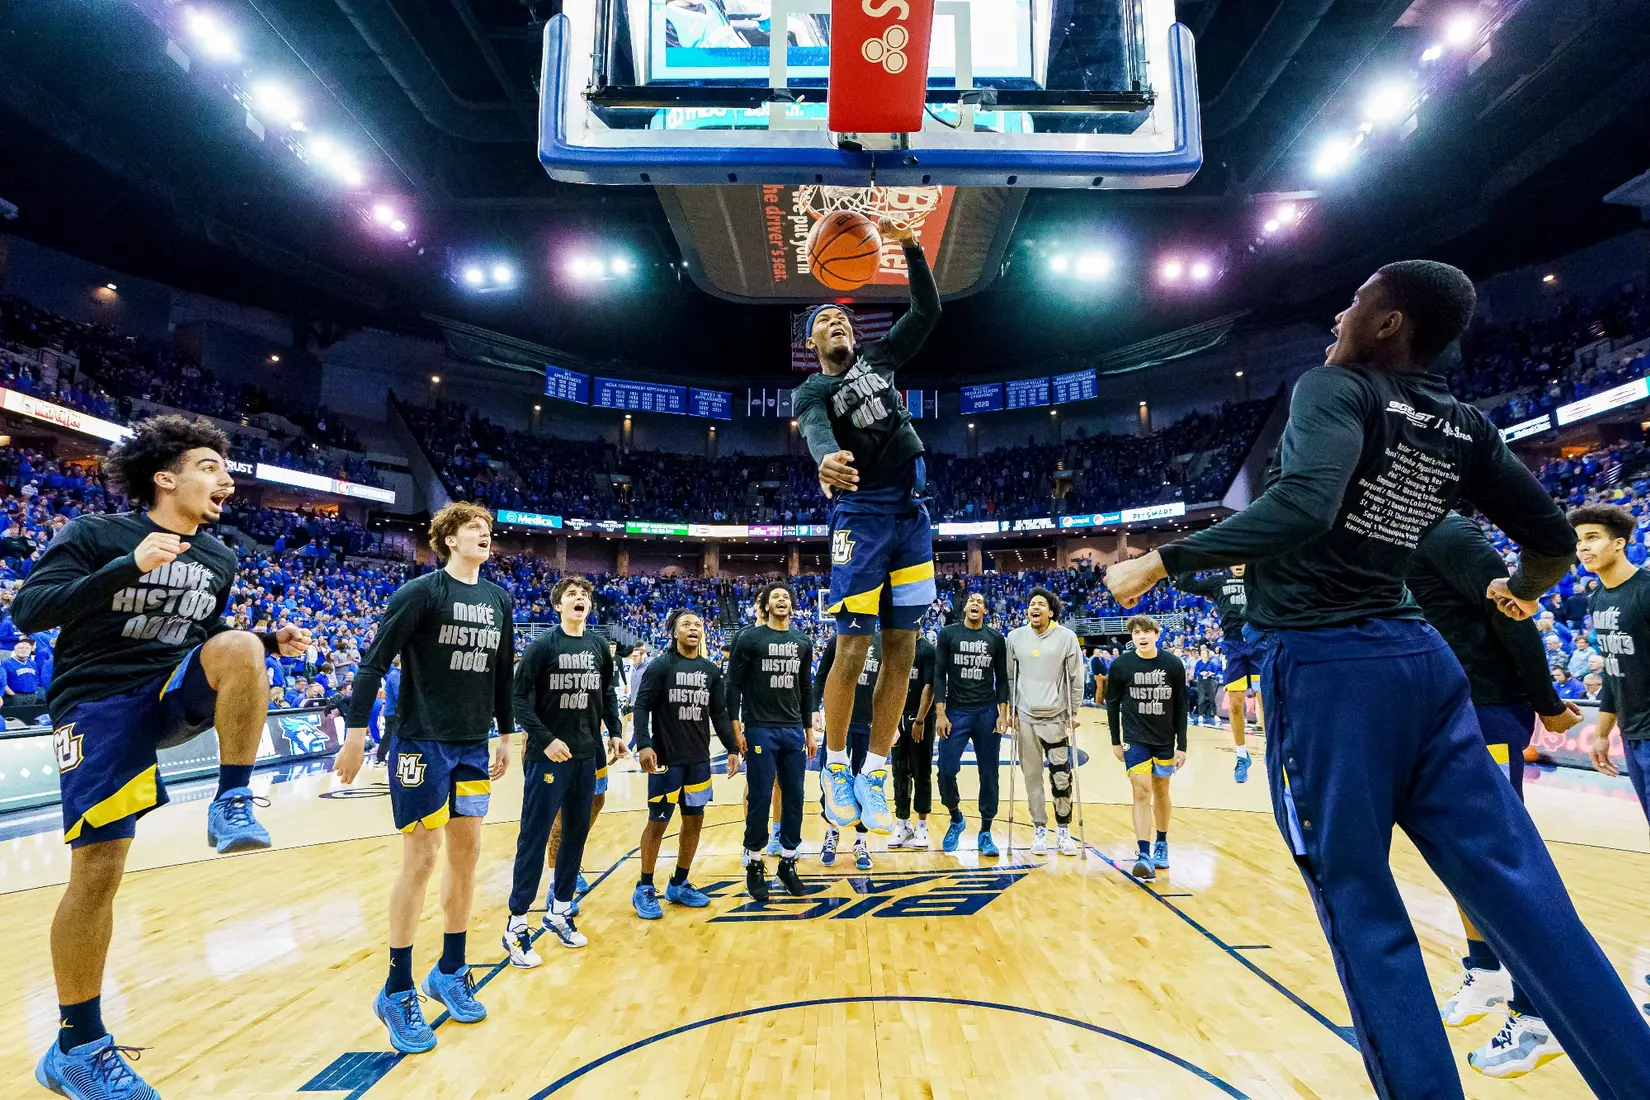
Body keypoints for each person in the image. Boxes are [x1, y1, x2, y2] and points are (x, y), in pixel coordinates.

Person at [1103, 260, 1650, 1097]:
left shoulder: (1337, 390)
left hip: (1329, 671)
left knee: (1361, 903)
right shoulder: (1466, 424)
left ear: (1389, 324)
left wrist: (1161, 562)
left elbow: (1305, 508)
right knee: (1528, 896)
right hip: (1423, 667)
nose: (1338, 314)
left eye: (1355, 301)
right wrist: (1522, 595)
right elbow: (1550, 540)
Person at [21, 415, 309, 1098]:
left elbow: (202, 637)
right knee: (98, 869)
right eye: (211, 466)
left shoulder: (219, 557)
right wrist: (131, 566)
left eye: (226, 470)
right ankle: (77, 1046)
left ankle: (233, 799)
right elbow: (32, 610)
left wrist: (266, 639)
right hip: (96, 703)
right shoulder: (96, 535)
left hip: (167, 692)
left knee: (240, 644)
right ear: (164, 476)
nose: (227, 481)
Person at [1409, 511, 1588, 1076]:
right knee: (1461, 854)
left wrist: (1548, 700)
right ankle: (1486, 970)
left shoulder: (1450, 534)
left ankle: (1537, 1016)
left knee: (1499, 859)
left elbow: (1514, 616)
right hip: (1446, 710)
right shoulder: (1404, 538)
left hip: (1486, 710)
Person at [335, 502, 516, 1055]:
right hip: (419, 740)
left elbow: (503, 671)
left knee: (468, 857)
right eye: (473, 529)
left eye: (487, 529)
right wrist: (356, 732)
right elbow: (373, 663)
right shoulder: (421, 592)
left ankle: (450, 970)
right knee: (422, 858)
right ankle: (396, 988)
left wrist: (505, 734)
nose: (484, 535)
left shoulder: (498, 600)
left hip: (470, 744)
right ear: (448, 538)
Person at [793, 219, 941, 836]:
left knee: (902, 647)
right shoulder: (811, 390)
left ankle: (874, 770)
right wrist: (824, 458)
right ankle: (833, 767)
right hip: (862, 515)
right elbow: (818, 434)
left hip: (912, 513)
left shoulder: (879, 359)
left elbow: (926, 311)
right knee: (853, 647)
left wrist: (909, 247)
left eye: (846, 320)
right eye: (828, 321)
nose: (840, 324)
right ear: (811, 340)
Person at [502, 576, 621, 967]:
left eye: (584, 595)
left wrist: (616, 733)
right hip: (547, 757)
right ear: (558, 605)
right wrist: (546, 738)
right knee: (534, 839)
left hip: (587, 755)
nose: (579, 599)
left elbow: (606, 694)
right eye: (571, 595)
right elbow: (517, 698)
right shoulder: (542, 646)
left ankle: (559, 911)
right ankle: (516, 925)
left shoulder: (599, 646)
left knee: (576, 836)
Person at [630, 609, 739, 919]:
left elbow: (719, 713)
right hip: (666, 760)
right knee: (658, 822)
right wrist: (644, 744)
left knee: (694, 820)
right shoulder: (660, 666)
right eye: (686, 625)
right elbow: (642, 707)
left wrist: (732, 747)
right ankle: (645, 887)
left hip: (698, 760)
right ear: (674, 632)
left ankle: (679, 882)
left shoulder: (710, 670)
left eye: (698, 625)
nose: (694, 629)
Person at [725, 582, 814, 902]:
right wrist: (736, 730)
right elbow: (732, 686)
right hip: (760, 727)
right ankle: (753, 861)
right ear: (765, 606)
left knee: (796, 796)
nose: (781, 601)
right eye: (775, 597)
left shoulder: (803, 641)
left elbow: (806, 689)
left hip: (792, 730)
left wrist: (809, 731)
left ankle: (788, 862)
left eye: (786, 597)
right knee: (760, 795)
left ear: (792, 606)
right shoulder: (749, 637)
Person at [1572, 503, 1650, 829]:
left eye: (1592, 538)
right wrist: (1602, 734)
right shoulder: (1598, 598)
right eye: (1578, 542)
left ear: (1619, 543)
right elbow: (1612, 670)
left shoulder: (1646, 589)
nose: (1583, 548)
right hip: (1632, 733)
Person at [1104, 615, 1187, 881]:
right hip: (1134, 738)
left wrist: (1182, 745)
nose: (1142, 636)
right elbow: (1112, 703)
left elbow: (1182, 706)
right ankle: (1144, 853)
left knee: (1161, 789)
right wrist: (1116, 740)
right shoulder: (1121, 665)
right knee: (1141, 791)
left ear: (1157, 633)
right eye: (1137, 632)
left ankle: (1161, 842)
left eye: (1147, 631)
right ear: (1132, 637)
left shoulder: (1173, 664)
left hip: (1164, 739)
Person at [1004, 588, 1084, 857]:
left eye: (1040, 604)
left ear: (1051, 611)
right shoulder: (1015, 638)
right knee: (1031, 778)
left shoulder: (1066, 638)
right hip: (1025, 718)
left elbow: (1075, 676)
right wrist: (1011, 709)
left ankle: (1063, 829)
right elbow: (1009, 678)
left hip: (1057, 717)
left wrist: (1075, 712)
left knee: (1061, 777)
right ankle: (1040, 828)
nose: (1034, 607)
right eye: (1031, 603)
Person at [933, 592, 1009, 856]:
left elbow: (1003, 679)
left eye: (980, 601)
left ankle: (986, 831)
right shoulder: (948, 634)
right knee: (945, 770)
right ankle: (956, 818)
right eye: (972, 601)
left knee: (989, 774)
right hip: (956, 711)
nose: (975, 604)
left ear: (986, 610)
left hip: (987, 711)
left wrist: (1003, 712)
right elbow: (939, 676)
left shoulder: (996, 638)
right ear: (964, 607)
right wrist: (940, 714)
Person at [1173, 567, 1260, 780]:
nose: (1238, 563)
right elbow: (1185, 584)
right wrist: (1199, 560)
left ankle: (1273, 748)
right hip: (1234, 646)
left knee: (1265, 698)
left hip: (1260, 643)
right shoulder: (1218, 582)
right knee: (1235, 704)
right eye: (1233, 559)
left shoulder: (1260, 577)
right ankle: (1241, 755)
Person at [814, 632, 879, 869]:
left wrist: (890, 724)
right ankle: (831, 833)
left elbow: (890, 685)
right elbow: (821, 677)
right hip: (839, 723)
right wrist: (814, 709)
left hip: (869, 724)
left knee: (866, 786)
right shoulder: (838, 640)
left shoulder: (882, 643)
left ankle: (861, 842)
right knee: (830, 783)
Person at [888, 630, 936, 850]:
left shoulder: (927, 650)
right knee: (899, 771)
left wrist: (919, 719)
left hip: (920, 717)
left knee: (921, 771)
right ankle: (902, 824)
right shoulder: (895, 647)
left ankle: (922, 825)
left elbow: (929, 686)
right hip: (896, 716)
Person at [373, 656, 401, 766]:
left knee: (394, 735)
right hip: (393, 711)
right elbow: (399, 694)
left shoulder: (397, 674)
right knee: (389, 734)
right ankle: (380, 758)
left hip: (395, 710)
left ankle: (392, 757)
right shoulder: (395, 675)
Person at [3, 635, 43, 707]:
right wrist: (13, 695)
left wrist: (35, 691)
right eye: (21, 648)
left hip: (32, 696)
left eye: (27, 648)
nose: (24, 650)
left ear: (31, 650)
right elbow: (2, 682)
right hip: (14, 696)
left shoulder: (33, 663)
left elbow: (36, 679)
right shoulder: (6, 663)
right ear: (15, 650)